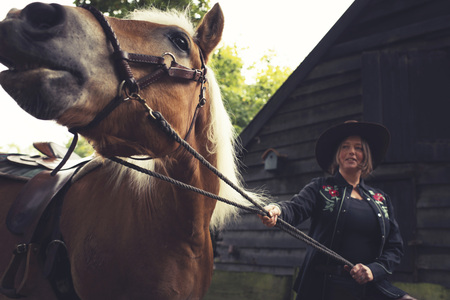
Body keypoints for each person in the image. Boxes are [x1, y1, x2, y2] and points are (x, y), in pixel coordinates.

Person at [259, 121, 416, 300]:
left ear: (366, 155)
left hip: (367, 288)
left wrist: (374, 270)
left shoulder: (381, 199)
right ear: (338, 155)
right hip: (323, 287)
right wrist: (277, 210)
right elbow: (296, 208)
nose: (351, 151)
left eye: (358, 147)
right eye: (345, 147)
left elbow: (394, 247)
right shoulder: (321, 187)